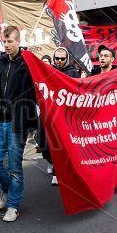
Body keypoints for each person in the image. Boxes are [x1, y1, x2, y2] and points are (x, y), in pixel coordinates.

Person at [0, 25, 38, 222]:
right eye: (4, 42)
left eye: (10, 41)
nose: (6, 45)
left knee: (14, 166)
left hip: (17, 122)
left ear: (18, 41)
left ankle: (13, 205)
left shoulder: (28, 63)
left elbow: (36, 89)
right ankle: (7, 190)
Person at [39, 47, 81, 186]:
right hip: (48, 112)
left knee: (61, 145)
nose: (59, 61)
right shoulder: (48, 70)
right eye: (57, 58)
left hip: (64, 114)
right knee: (43, 143)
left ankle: (58, 171)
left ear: (67, 59)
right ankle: (51, 161)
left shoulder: (72, 72)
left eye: (62, 59)